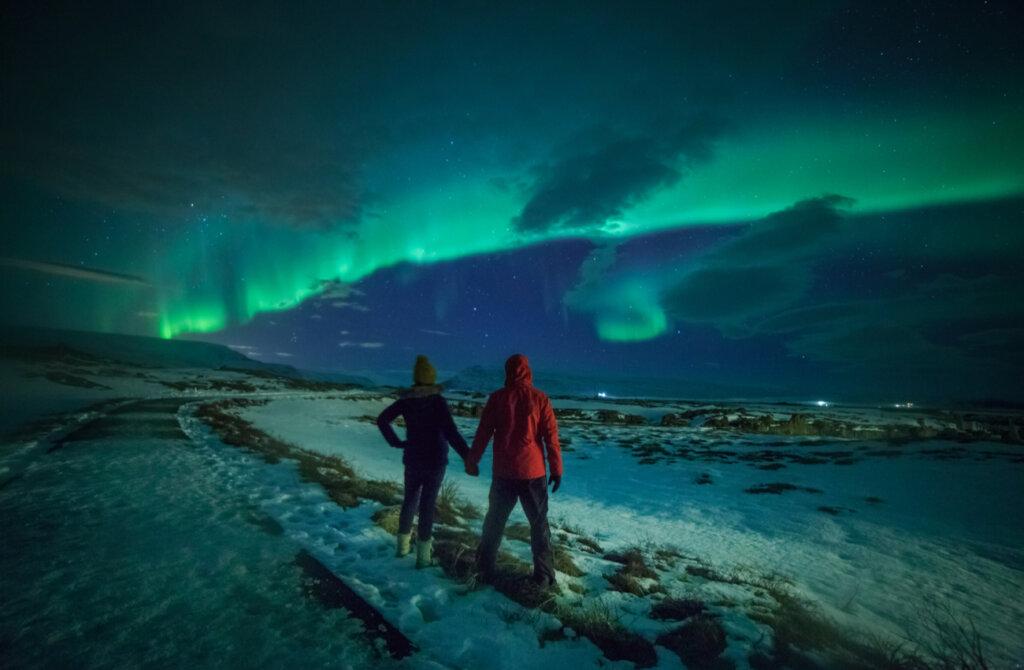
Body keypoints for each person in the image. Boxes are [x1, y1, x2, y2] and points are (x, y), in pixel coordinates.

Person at [466, 353, 562, 587]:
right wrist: (556, 469)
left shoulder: (497, 398)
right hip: (533, 472)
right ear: (528, 372)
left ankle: (484, 569)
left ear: (508, 372)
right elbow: (551, 437)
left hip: (504, 472)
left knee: (495, 521)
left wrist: (473, 460)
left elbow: (483, 433)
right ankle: (544, 575)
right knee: (539, 525)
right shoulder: (540, 398)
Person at [377, 355, 470, 568]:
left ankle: (402, 548)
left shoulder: (406, 400)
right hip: (435, 460)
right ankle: (423, 558)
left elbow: (382, 420)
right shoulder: (438, 401)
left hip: (412, 458)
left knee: (409, 501)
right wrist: (468, 456)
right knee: (427, 506)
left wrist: (395, 442)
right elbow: (451, 432)